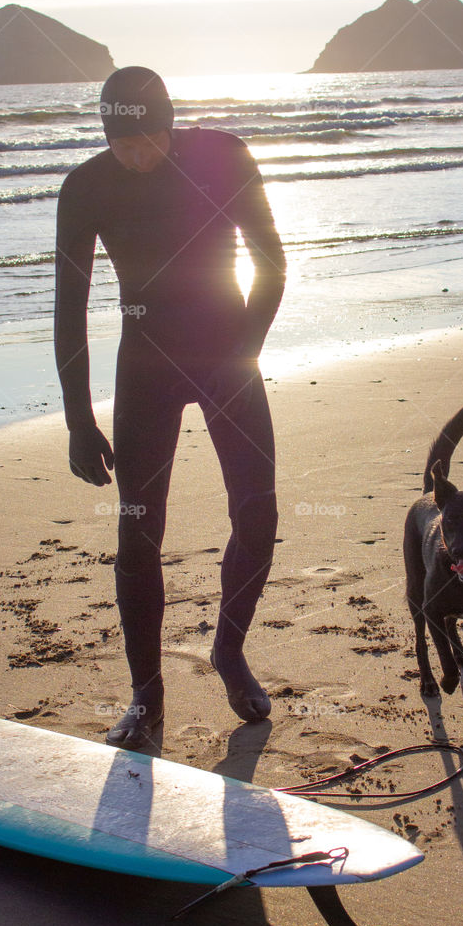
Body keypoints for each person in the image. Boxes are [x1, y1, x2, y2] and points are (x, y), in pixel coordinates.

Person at [54, 67, 286, 750]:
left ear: (169, 125)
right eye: (121, 143)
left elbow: (270, 262)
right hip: (145, 370)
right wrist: (76, 418)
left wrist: (243, 354)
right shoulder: (87, 185)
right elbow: (71, 309)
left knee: (257, 511)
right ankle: (145, 699)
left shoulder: (221, 158)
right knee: (136, 530)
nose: (135, 155)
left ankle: (229, 651)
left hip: (227, 357)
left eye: (147, 139)